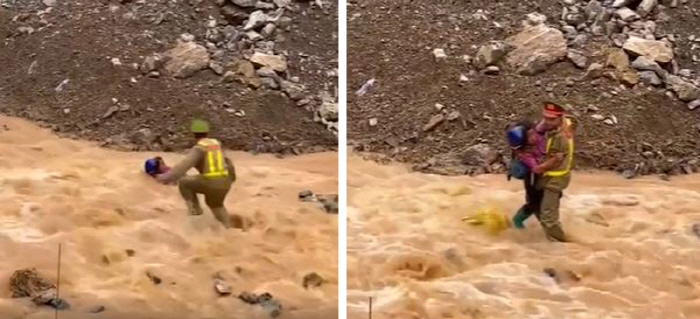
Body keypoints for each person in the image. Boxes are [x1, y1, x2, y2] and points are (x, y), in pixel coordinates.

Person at [156, 119, 237, 228]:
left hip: (211, 182)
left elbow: (183, 167)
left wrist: (164, 178)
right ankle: (229, 230)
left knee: (184, 182)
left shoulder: (199, 148)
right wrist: (231, 179)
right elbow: (229, 163)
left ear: (193, 134)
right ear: (207, 132)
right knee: (216, 205)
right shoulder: (216, 144)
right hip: (225, 182)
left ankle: (196, 216)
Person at [533, 102, 575, 242]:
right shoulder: (561, 124)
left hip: (555, 179)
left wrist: (538, 168)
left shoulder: (560, 136)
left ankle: (562, 244)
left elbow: (556, 159)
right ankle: (550, 235)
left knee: (548, 216)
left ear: (559, 118)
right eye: (545, 117)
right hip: (547, 176)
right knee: (537, 205)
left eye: (552, 119)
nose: (547, 122)